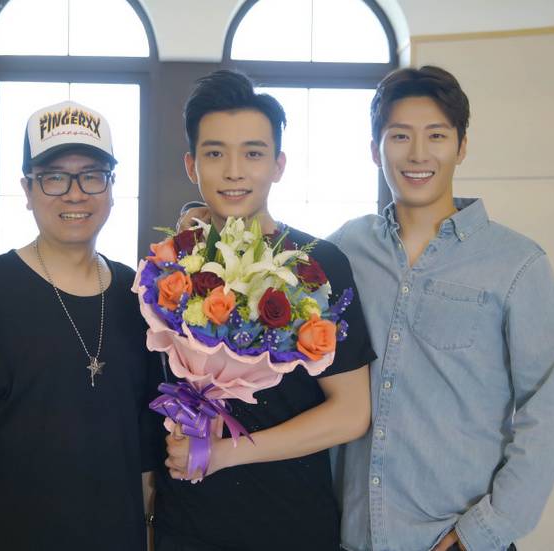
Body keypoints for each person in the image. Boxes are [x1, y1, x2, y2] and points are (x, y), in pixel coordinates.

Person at [328, 66, 554, 551]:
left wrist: (486, 531)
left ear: (461, 147)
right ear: (375, 149)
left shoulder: (518, 264)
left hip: (455, 539)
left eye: (436, 135)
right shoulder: (345, 249)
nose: (418, 154)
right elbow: (278, 282)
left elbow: (546, 408)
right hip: (352, 537)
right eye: (400, 136)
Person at [0, 100, 162, 551]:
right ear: (27, 190)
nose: (75, 194)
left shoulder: (138, 294)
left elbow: (148, 442)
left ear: (112, 187)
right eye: (54, 177)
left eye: (92, 175)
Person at [153, 70, 376, 551]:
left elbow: (352, 413)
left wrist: (224, 453)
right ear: (192, 165)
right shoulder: (170, 264)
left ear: (278, 164)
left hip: (290, 523)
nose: (234, 171)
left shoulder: (317, 265)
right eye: (215, 153)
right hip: (185, 524)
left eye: (253, 153)